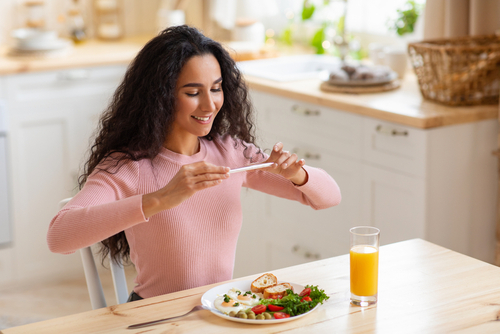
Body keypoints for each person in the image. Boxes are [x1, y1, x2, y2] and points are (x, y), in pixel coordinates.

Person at [47, 25, 341, 301]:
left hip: (220, 311)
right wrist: (160, 199)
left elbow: (329, 197)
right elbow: (59, 237)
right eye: (192, 92)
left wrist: (297, 174)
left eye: (216, 88)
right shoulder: (130, 166)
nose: (210, 104)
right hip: (155, 316)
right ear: (160, 97)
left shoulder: (232, 153)